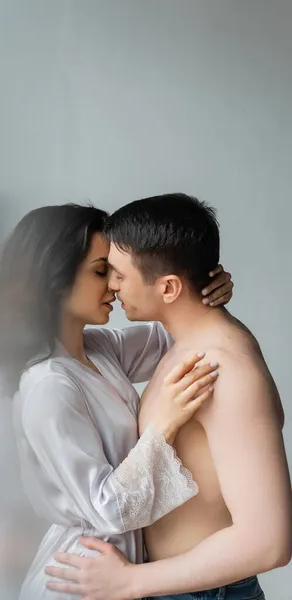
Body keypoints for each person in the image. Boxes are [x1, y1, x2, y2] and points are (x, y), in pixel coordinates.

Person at [45, 194, 292, 600]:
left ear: (168, 287)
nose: (111, 285)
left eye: (120, 275)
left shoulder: (225, 370)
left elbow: (268, 542)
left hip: (205, 594)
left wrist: (130, 582)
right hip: (176, 588)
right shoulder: (180, 343)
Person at [0, 203, 233, 600]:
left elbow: (170, 333)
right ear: (55, 279)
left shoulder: (97, 350)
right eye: (101, 271)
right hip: (81, 581)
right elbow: (107, 510)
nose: (116, 285)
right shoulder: (48, 385)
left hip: (116, 575)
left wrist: (204, 289)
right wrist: (163, 424)